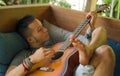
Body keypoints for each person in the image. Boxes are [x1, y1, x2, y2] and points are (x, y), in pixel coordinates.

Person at [5, 11, 115, 76]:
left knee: (104, 43)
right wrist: (32, 59)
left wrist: (91, 26)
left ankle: (89, 50)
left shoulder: (57, 46)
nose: (45, 29)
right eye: (40, 30)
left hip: (76, 69)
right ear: (30, 40)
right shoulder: (24, 54)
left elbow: (83, 42)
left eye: (43, 26)